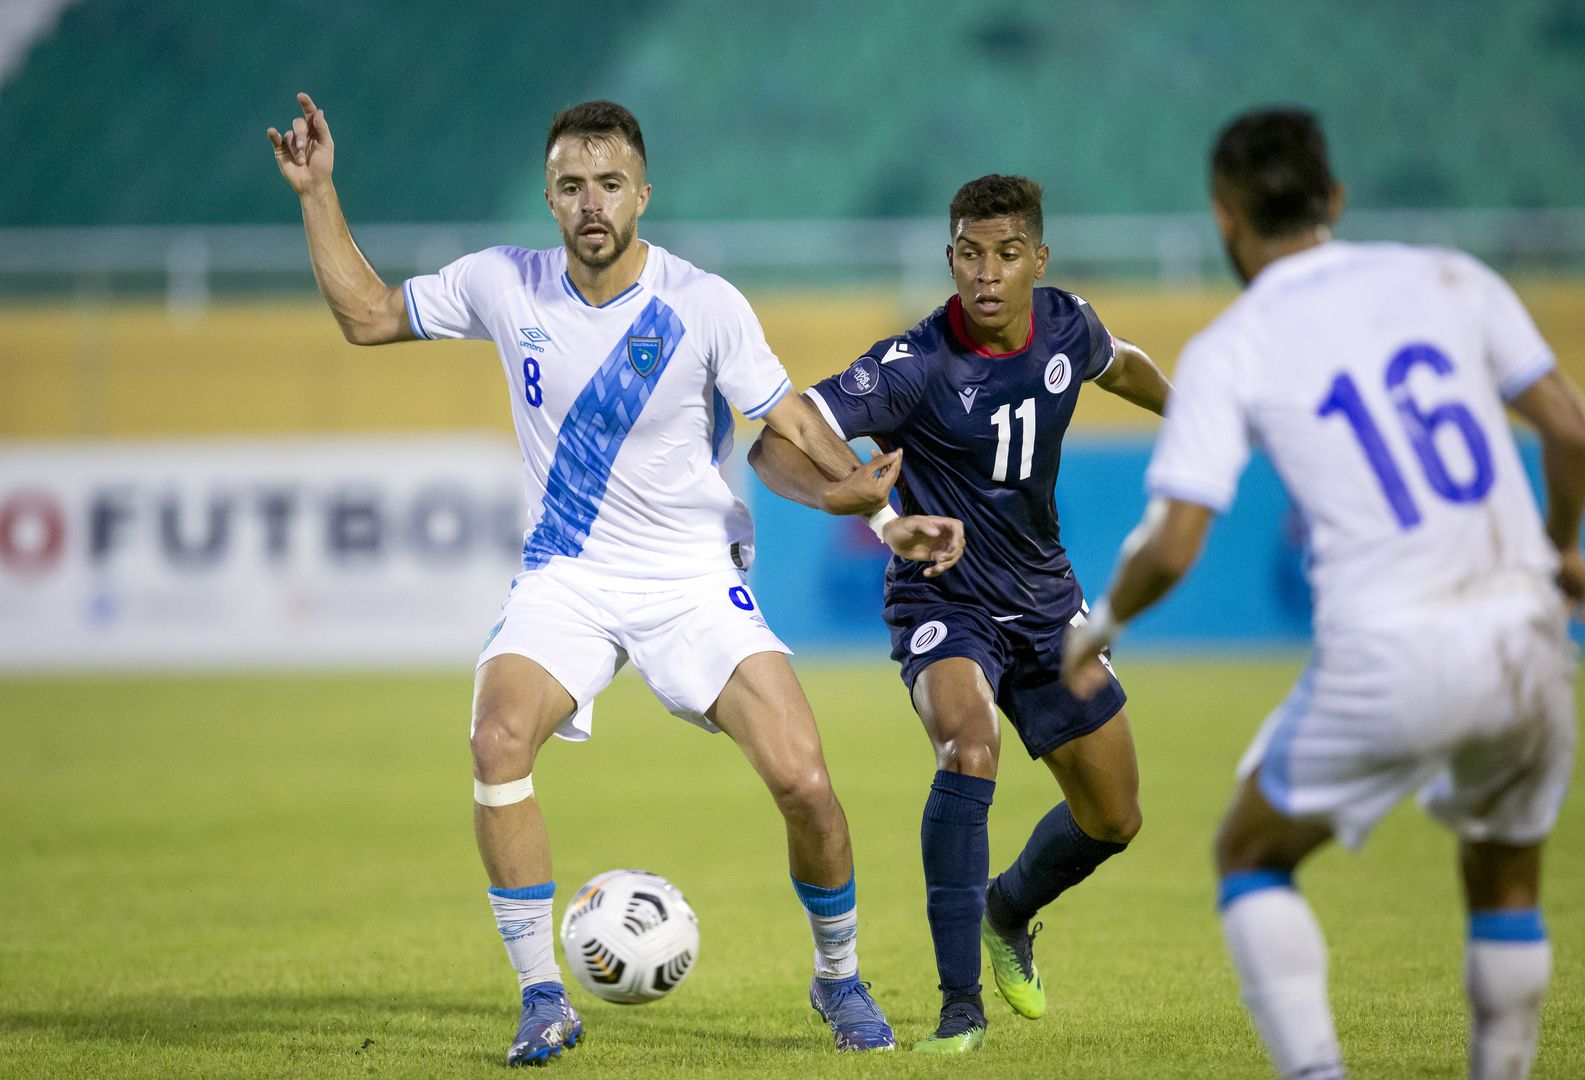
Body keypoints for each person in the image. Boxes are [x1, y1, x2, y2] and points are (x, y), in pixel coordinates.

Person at [268, 92, 964, 1066]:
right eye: (569, 186)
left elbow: (792, 421)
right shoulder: (503, 285)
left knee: (805, 783)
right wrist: (317, 191)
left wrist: (885, 519)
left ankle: (838, 978)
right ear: (549, 199)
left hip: (690, 577)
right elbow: (368, 317)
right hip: (569, 576)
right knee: (496, 739)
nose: (590, 202)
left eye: (606, 184)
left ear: (641, 192)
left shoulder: (702, 304)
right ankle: (542, 997)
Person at [1063, 108, 1585, 1080]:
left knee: (1250, 854)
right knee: (1505, 877)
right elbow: (1570, 429)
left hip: (1393, 648)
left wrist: (1104, 621)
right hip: (1527, 633)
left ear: (1225, 218)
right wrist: (1556, 552)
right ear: (1333, 198)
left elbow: (1174, 543)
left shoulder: (1235, 344)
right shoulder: (1451, 277)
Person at [749, 174, 1172, 1051]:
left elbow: (1121, 365)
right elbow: (771, 440)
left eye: (1006, 254)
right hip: (942, 593)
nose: (986, 273)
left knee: (1114, 818)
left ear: (1037, 260)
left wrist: (1199, 414)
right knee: (967, 746)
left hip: (1046, 598)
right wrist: (843, 500)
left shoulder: (1067, 325)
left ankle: (1006, 910)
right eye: (969, 255)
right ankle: (957, 1008)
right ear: (949, 259)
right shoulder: (912, 365)